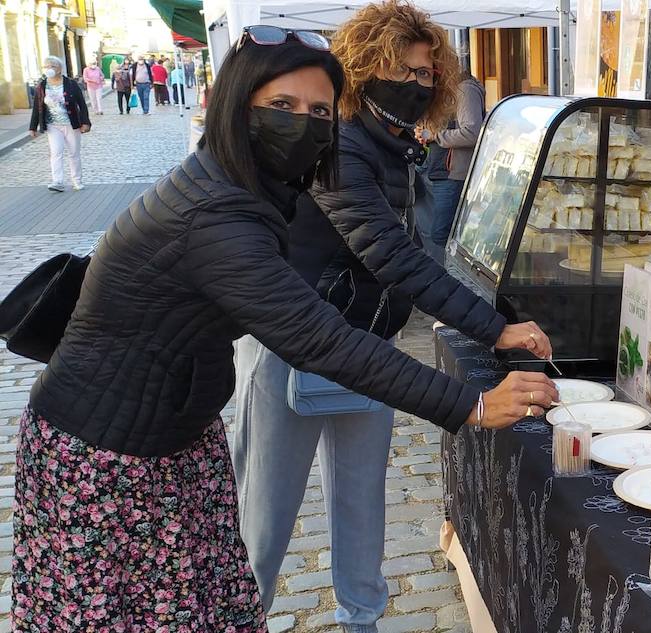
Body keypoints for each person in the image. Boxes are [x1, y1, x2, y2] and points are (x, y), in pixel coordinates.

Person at [10, 28, 557, 631]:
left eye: (318, 110)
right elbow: (321, 333)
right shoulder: (216, 212)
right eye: (282, 106)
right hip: (106, 460)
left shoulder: (256, 185)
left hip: (176, 437)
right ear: (237, 106)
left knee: (218, 599)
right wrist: (472, 403)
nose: (304, 122)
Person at [232, 5, 555, 632]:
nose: (417, 83)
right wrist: (493, 327)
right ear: (362, 68)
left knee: (362, 505)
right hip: (291, 348)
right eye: (402, 70)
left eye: (428, 73)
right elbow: (393, 255)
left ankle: (364, 622)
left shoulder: (397, 144)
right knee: (263, 519)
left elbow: (416, 253)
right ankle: (243, 618)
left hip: (367, 343)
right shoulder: (337, 143)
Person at [415, 66, 486, 260]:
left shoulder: (465, 89)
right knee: (437, 231)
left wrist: (435, 135)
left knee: (442, 233)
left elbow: (472, 132)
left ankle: (451, 277)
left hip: (453, 174)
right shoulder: (447, 92)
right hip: (439, 170)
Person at [28, 56, 90, 193]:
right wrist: (33, 127)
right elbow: (37, 107)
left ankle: (77, 180)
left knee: (74, 153)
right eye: (46, 66)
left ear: (60, 69)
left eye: (53, 66)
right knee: (56, 152)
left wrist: (85, 122)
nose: (49, 69)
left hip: (71, 124)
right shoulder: (42, 86)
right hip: (52, 125)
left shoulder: (70, 84)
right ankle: (58, 181)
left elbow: (82, 104)